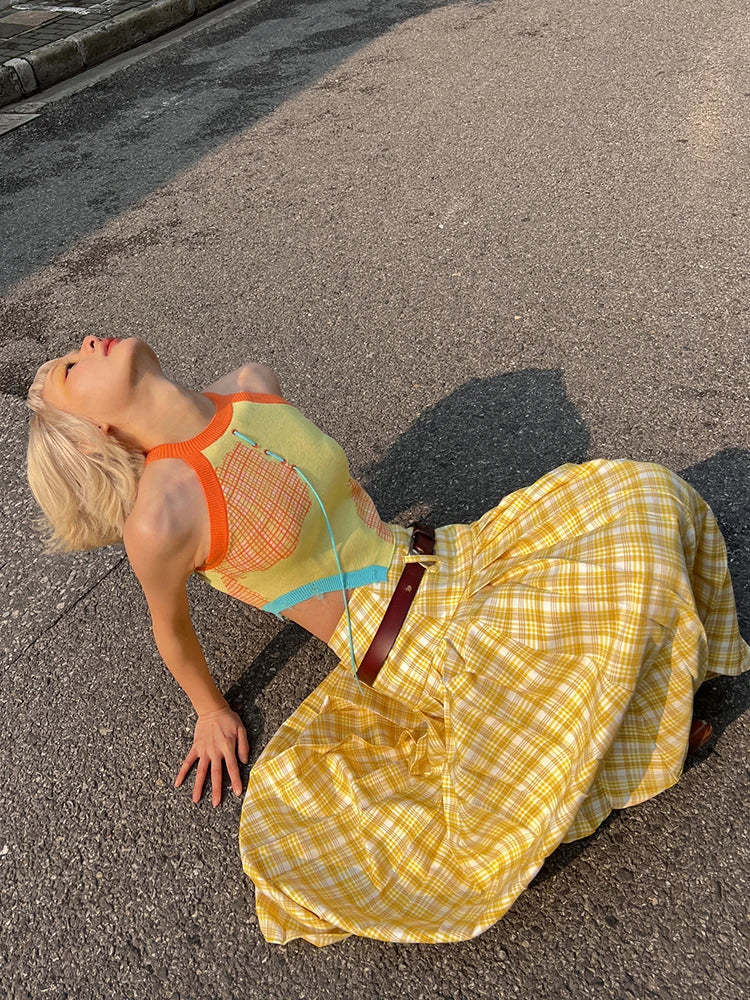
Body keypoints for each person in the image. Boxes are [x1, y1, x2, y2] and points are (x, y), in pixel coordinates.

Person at [26, 334, 750, 948]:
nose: (86, 343)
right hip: (404, 638)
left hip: (451, 555)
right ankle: (641, 736)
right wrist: (211, 710)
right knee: (595, 606)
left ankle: (633, 711)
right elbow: (170, 627)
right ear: (97, 433)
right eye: (70, 368)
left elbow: (316, 495)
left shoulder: (250, 386)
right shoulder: (159, 519)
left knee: (643, 495)